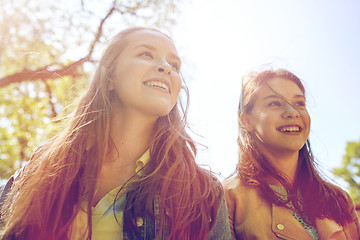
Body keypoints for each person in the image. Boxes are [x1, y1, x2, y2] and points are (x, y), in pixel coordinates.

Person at [0, 27, 231, 240]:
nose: (166, 67)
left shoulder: (203, 194)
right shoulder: (39, 170)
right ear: (109, 77)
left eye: (175, 65)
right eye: (146, 54)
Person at [222, 69, 360, 239]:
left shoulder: (340, 199)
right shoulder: (227, 198)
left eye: (299, 103)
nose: (293, 112)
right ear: (247, 121)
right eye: (274, 103)